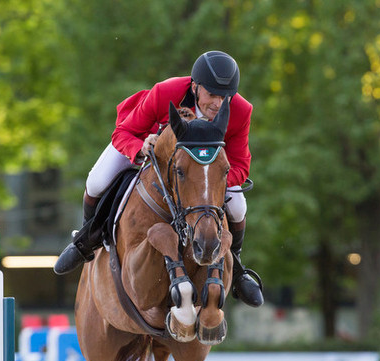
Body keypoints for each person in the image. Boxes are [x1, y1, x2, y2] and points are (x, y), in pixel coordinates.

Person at [54, 50, 263, 307]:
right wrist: (141, 146)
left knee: (239, 206)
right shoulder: (167, 92)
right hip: (149, 150)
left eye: (225, 96)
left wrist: (209, 179)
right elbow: (123, 132)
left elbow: (241, 164)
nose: (218, 104)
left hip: (204, 175)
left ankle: (238, 266)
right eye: (212, 95)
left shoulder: (241, 110)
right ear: (195, 87)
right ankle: (85, 241)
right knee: (96, 181)